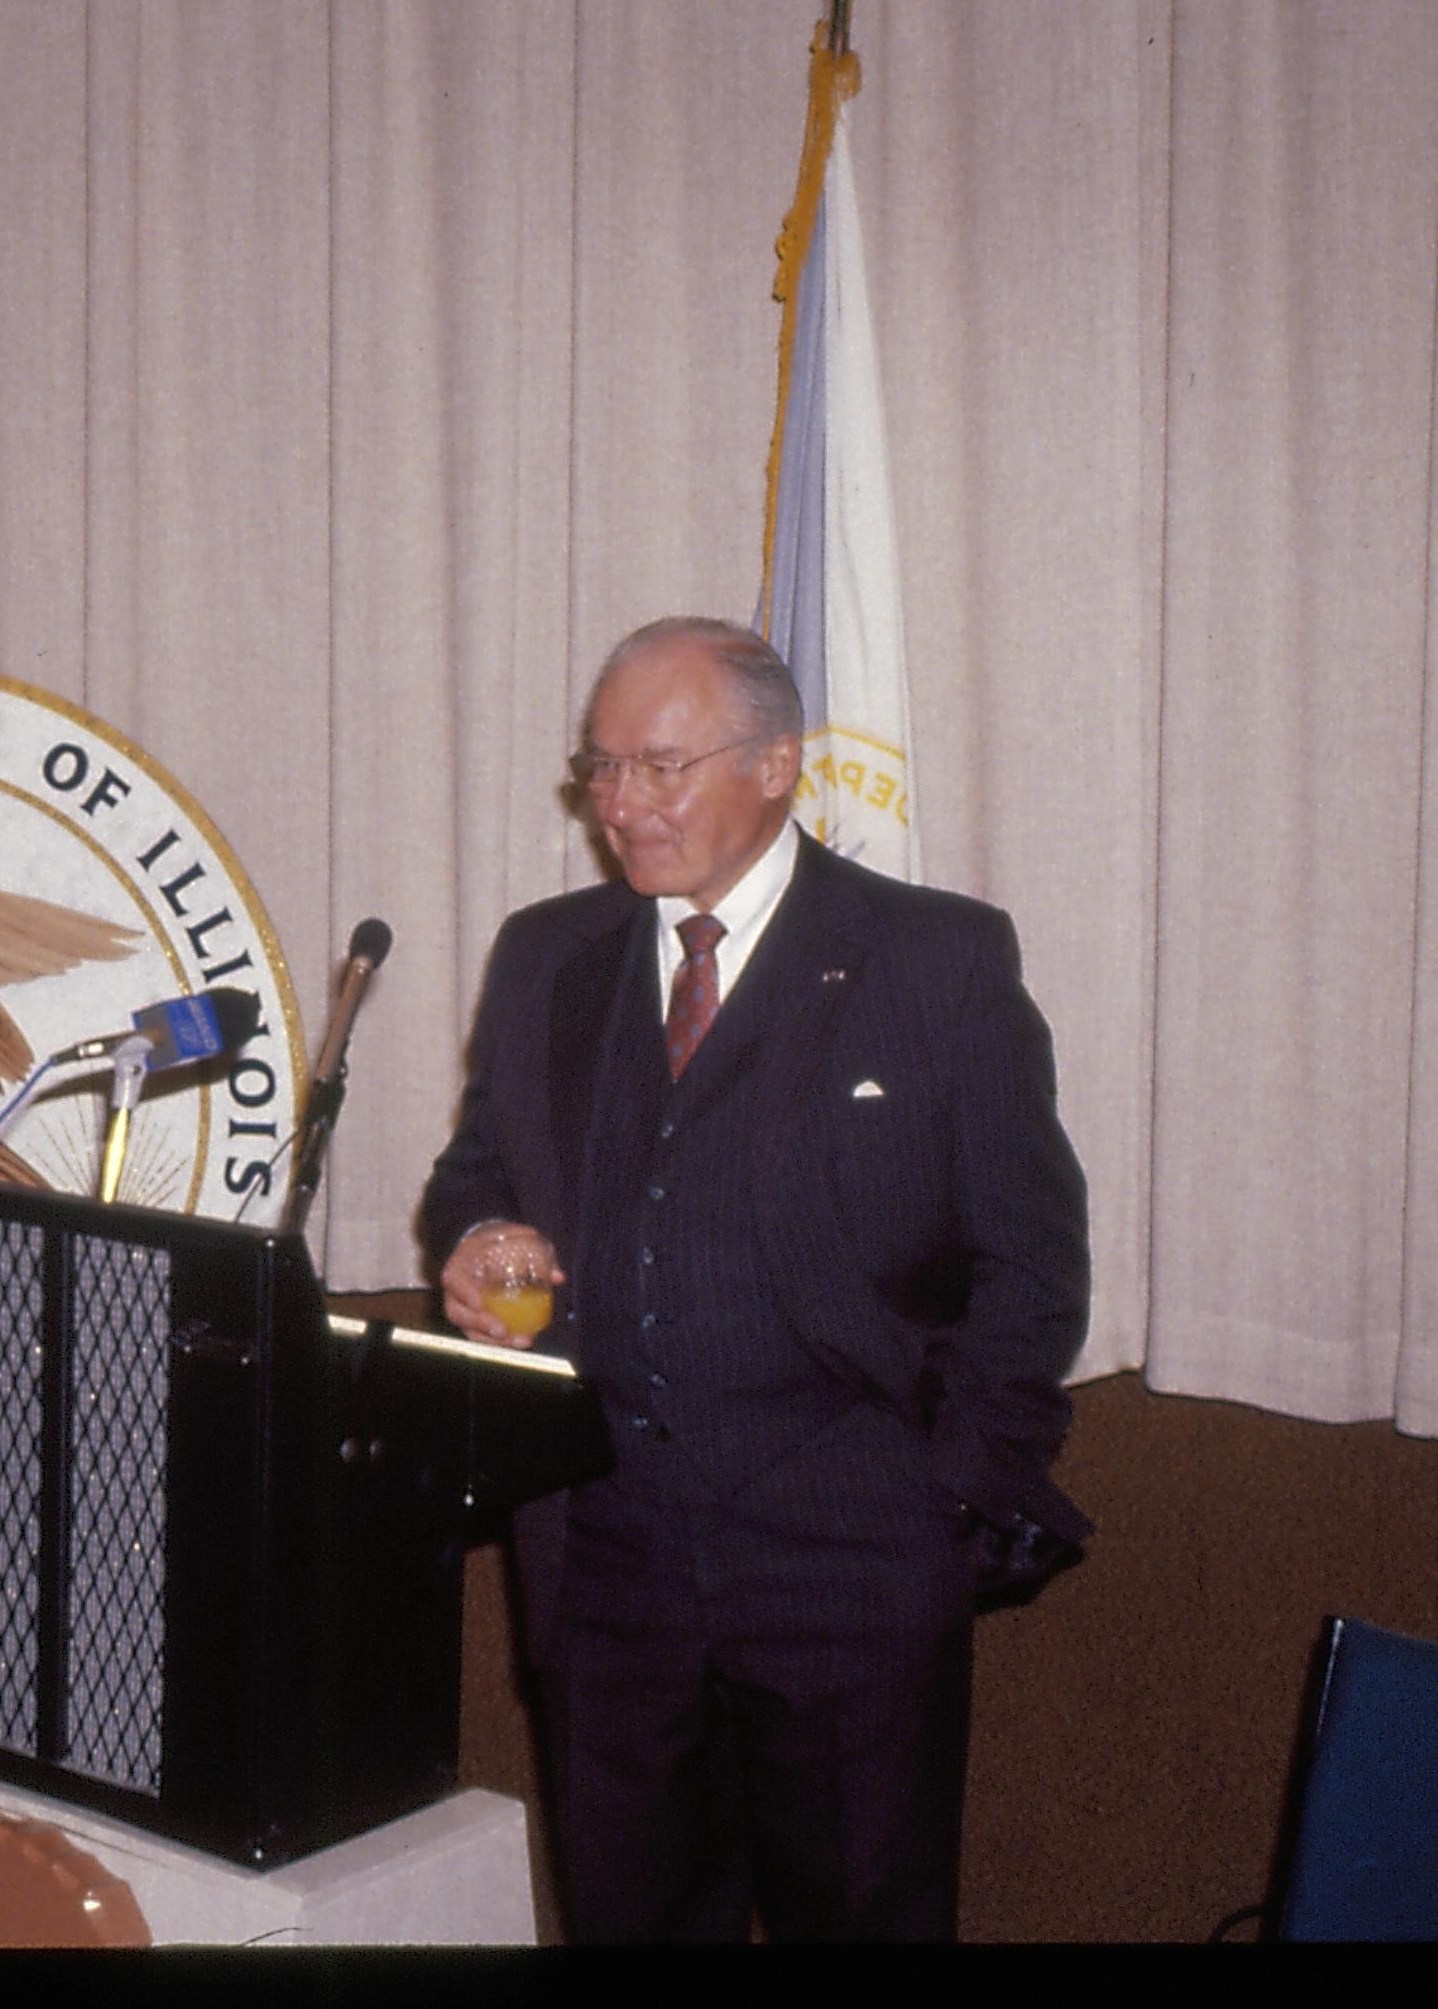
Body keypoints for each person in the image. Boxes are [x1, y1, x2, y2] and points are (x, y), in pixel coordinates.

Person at [423, 616, 1089, 1942]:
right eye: (600, 768)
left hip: (852, 1557)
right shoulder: (548, 954)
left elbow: (1032, 1262)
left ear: (778, 763)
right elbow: (476, 1167)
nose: (622, 806)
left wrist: (945, 1507)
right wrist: (481, 1232)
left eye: (662, 767)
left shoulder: (934, 961)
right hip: (604, 1551)